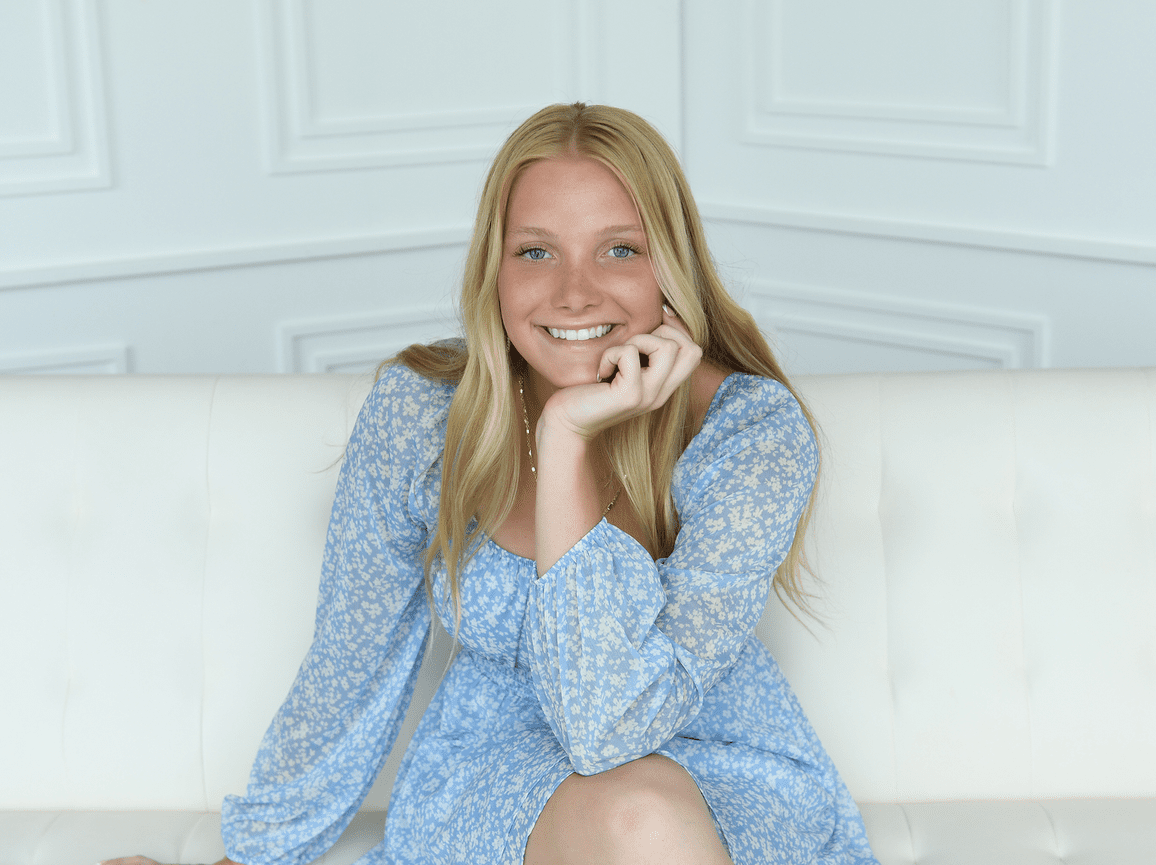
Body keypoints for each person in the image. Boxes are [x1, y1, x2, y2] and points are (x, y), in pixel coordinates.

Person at [104, 103, 878, 865]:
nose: (576, 293)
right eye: (536, 252)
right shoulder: (422, 413)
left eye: (619, 250)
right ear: (493, 269)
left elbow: (606, 729)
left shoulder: (749, 433)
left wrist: (568, 434)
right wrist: (251, 857)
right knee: (638, 819)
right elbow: (352, 663)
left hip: (724, 769)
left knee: (643, 818)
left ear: (671, 265)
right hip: (497, 767)